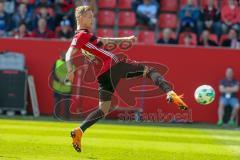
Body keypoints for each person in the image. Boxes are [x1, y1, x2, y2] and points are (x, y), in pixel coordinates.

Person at [66, 6, 188, 152]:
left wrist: (125, 39)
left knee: (103, 109)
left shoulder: (86, 36)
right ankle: (170, 93)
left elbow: (104, 40)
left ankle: (79, 131)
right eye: (89, 16)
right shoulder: (79, 36)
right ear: (79, 18)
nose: (92, 19)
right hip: (113, 65)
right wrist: (70, 68)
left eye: (93, 16)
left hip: (103, 76)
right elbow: (69, 53)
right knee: (150, 70)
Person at [52, 52, 73, 120]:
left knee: (57, 102)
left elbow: (53, 73)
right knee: (67, 102)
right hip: (67, 86)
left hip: (58, 86)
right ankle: (67, 117)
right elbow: (72, 75)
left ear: (60, 56)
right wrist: (65, 81)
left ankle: (56, 116)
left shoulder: (57, 62)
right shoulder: (71, 64)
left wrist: (60, 81)